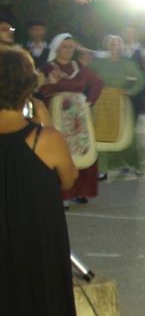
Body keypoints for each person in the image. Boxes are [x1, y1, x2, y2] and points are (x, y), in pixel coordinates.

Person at [0, 47, 78, 315]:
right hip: (37, 245)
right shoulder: (45, 139)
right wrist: (45, 125)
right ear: (27, 86)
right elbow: (68, 180)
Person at [38, 33, 104, 204]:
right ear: (57, 47)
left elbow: (97, 83)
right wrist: (49, 83)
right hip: (57, 115)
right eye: (65, 47)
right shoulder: (47, 68)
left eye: (71, 47)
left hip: (79, 117)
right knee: (62, 151)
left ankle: (82, 191)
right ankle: (64, 195)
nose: (68, 50)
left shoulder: (79, 67)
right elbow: (38, 89)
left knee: (82, 149)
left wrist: (89, 102)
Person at [91, 35, 145, 179]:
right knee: (101, 134)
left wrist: (129, 91)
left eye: (116, 42)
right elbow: (85, 75)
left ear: (121, 46)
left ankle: (135, 164)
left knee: (127, 135)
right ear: (106, 45)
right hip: (102, 102)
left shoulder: (127, 63)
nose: (113, 45)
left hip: (121, 102)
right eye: (110, 42)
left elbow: (142, 79)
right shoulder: (99, 63)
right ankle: (102, 169)